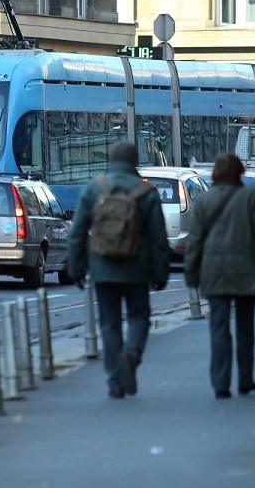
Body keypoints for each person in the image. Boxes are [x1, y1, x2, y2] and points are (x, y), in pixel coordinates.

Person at [66, 140, 171, 399]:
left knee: (110, 324)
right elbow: (159, 239)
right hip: (137, 269)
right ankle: (131, 356)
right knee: (138, 317)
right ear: (135, 161)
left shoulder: (94, 188)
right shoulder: (147, 193)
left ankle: (115, 380)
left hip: (102, 268)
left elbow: (77, 233)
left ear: (110, 160)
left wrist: (77, 268)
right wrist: (161, 273)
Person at [184, 152, 255, 399]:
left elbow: (194, 242)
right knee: (245, 327)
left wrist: (191, 274)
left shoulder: (204, 201)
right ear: (239, 173)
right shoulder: (249, 198)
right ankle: (245, 378)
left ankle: (220, 382)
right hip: (247, 272)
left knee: (219, 327)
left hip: (214, 273)